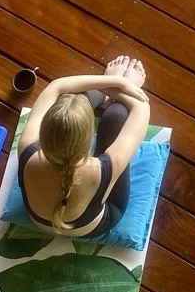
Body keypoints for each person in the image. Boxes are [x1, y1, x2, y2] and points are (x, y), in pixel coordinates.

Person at [17, 55, 152, 237]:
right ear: (89, 140)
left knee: (72, 103)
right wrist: (124, 85)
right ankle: (106, 95)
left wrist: (114, 82)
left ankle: (103, 95)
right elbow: (141, 108)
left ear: (43, 132)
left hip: (39, 221)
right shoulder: (102, 169)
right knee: (116, 115)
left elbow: (56, 87)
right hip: (92, 226)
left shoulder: (27, 147)